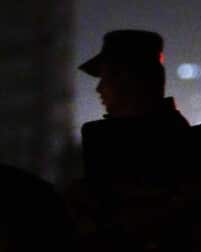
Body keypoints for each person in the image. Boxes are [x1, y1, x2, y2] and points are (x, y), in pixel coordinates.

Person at [78, 29, 191, 185]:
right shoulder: (173, 133)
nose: (99, 88)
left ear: (131, 79)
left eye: (107, 77)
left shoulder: (147, 144)